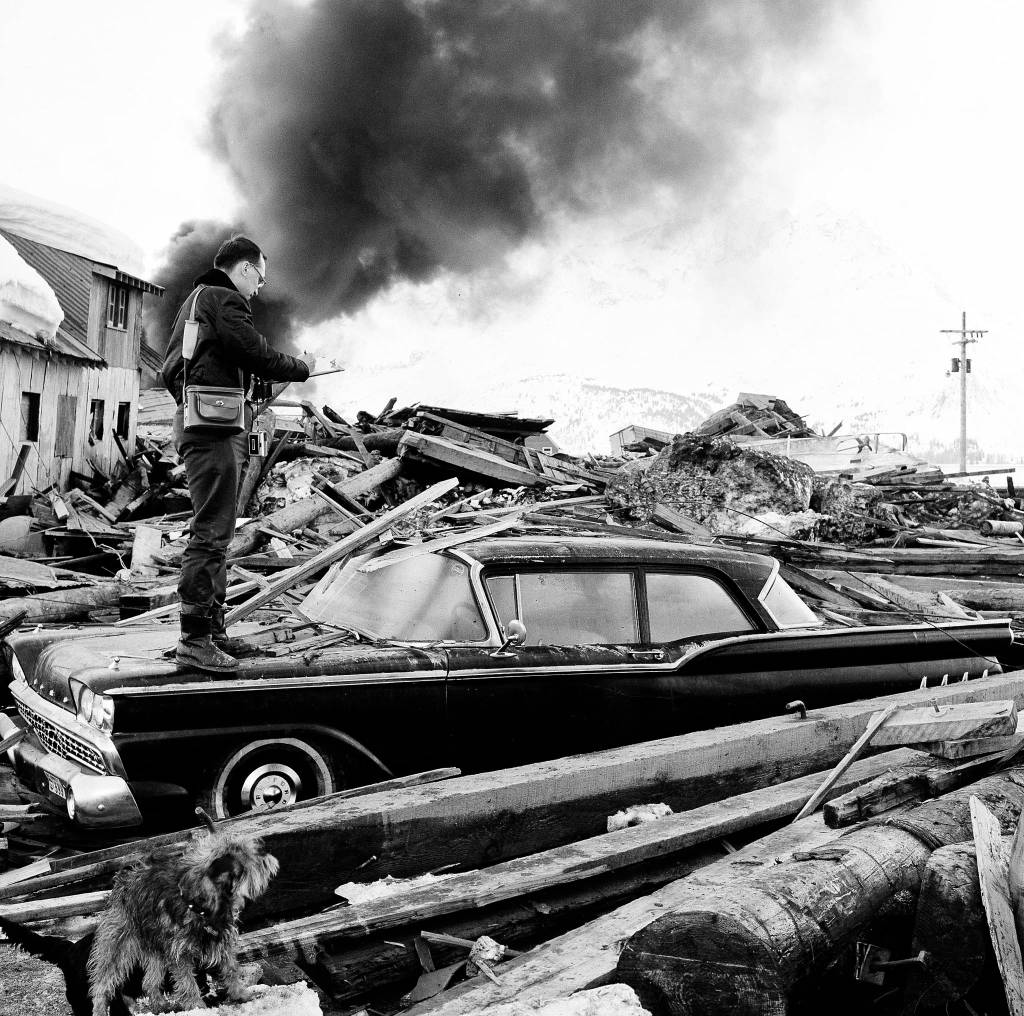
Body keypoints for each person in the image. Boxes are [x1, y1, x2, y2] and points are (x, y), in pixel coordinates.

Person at [161, 236, 313, 673]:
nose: (260, 288)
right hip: (214, 431)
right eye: (260, 278)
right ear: (244, 268)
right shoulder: (224, 299)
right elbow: (254, 351)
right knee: (211, 532)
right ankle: (195, 640)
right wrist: (304, 366)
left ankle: (214, 632)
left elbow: (180, 368)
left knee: (218, 530)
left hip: (202, 424)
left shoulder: (195, 301)